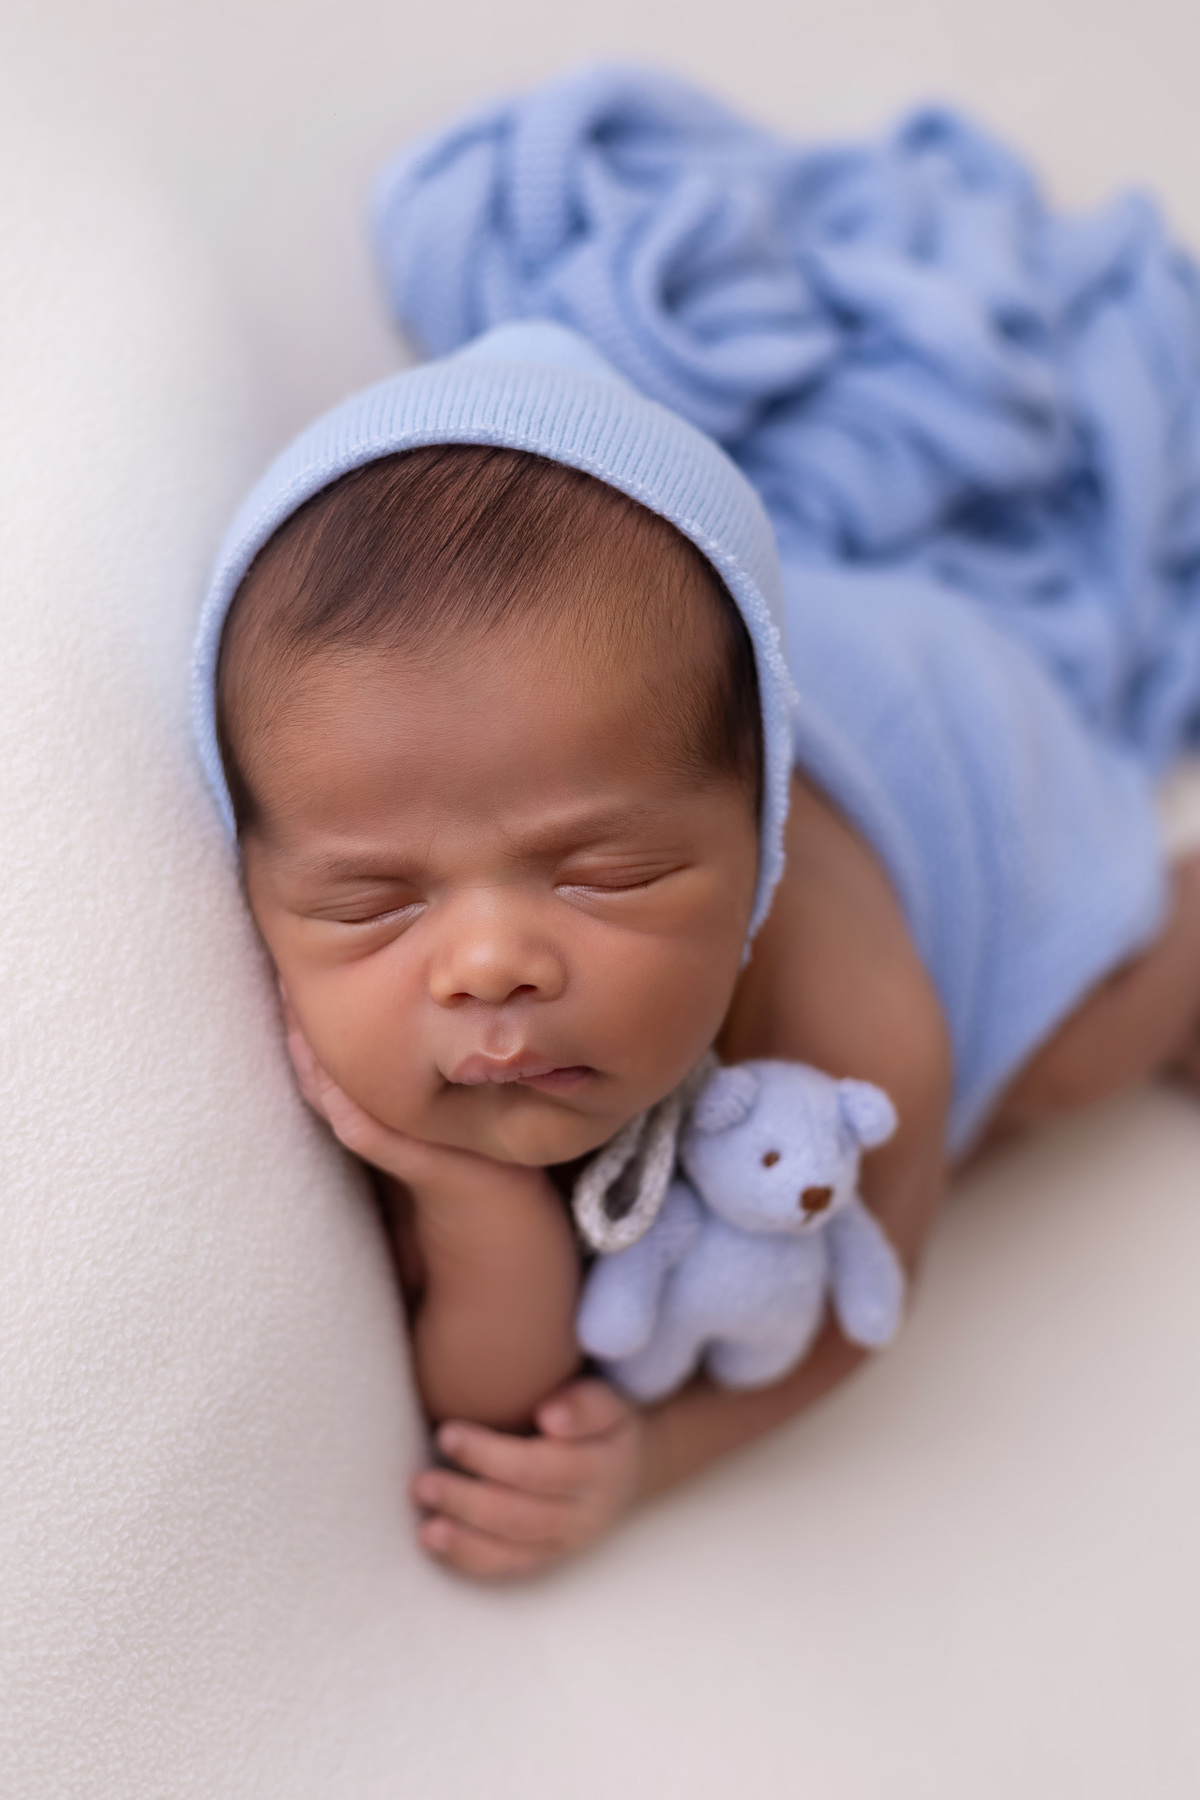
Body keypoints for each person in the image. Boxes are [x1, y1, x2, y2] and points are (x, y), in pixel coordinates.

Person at [192, 317, 1200, 1581]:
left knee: (1055, 1067)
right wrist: (472, 1199)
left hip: (979, 771)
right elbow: (491, 1398)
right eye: (372, 901)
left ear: (757, 852)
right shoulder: (408, 1012)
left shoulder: (860, 1033)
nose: (488, 963)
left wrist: (658, 1458)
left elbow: (852, 1315)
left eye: (605, 875)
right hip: (720, 699)